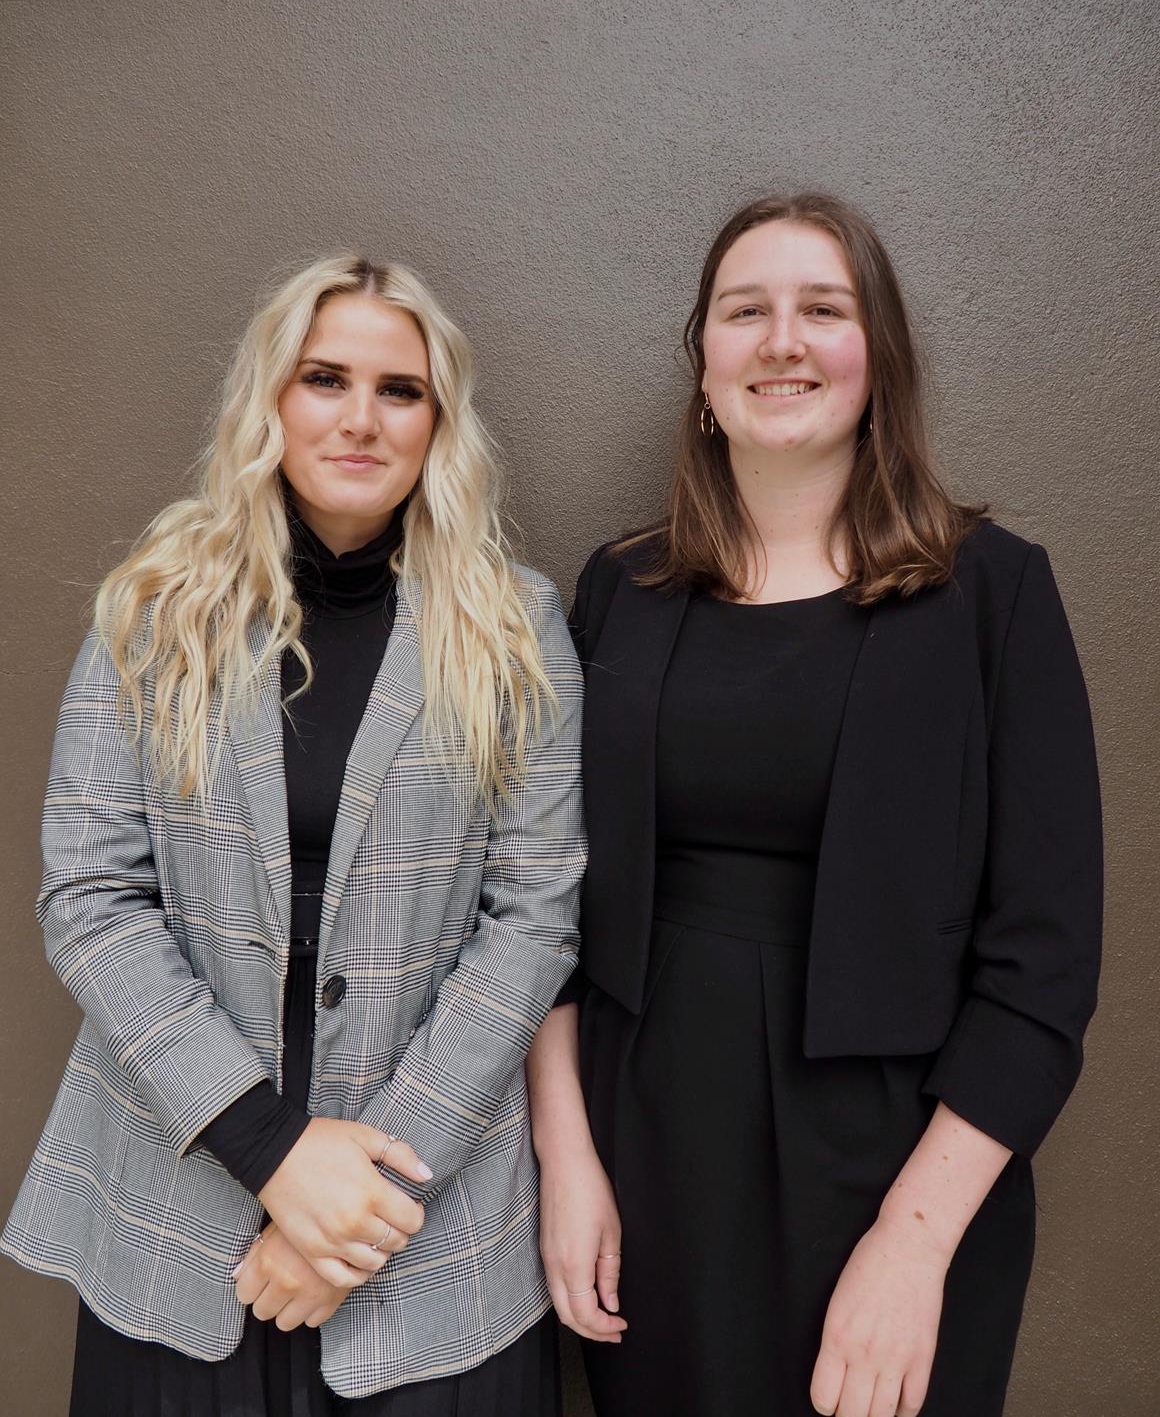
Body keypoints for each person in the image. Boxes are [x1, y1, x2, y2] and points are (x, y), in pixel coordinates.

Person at [526, 193, 1102, 1417]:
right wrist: (562, 1158)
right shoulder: (618, 591)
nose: (781, 340)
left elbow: (1042, 967)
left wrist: (911, 1243)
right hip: (648, 1160)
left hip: (897, 1167)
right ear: (702, 368)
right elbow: (539, 898)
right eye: (746, 311)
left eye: (821, 310)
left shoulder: (991, 592)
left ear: (876, 360)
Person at [2, 257, 585, 1416]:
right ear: (270, 397)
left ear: (438, 421)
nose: (360, 418)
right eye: (325, 378)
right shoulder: (154, 611)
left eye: (398, 390)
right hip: (177, 1210)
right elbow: (89, 896)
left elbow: (534, 917)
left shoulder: (516, 626)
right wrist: (270, 1151)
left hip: (432, 1234)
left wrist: (355, 1210)